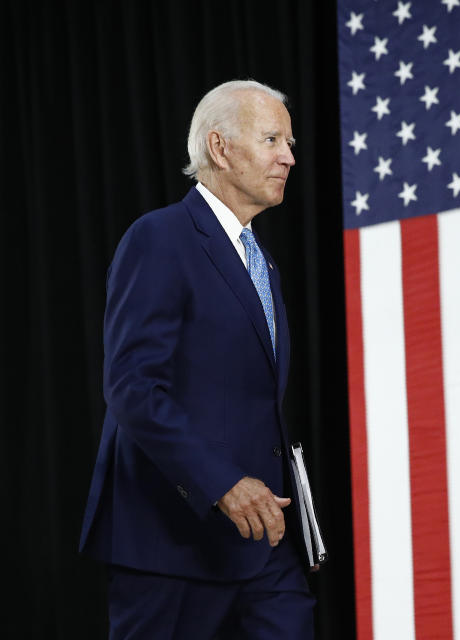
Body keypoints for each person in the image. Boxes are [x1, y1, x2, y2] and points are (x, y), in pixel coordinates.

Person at [79, 79, 315, 638]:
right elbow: (133, 386)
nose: (289, 156)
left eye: (291, 141)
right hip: (172, 543)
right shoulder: (158, 238)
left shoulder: (262, 261)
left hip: (262, 542)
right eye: (272, 138)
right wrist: (223, 483)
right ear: (219, 146)